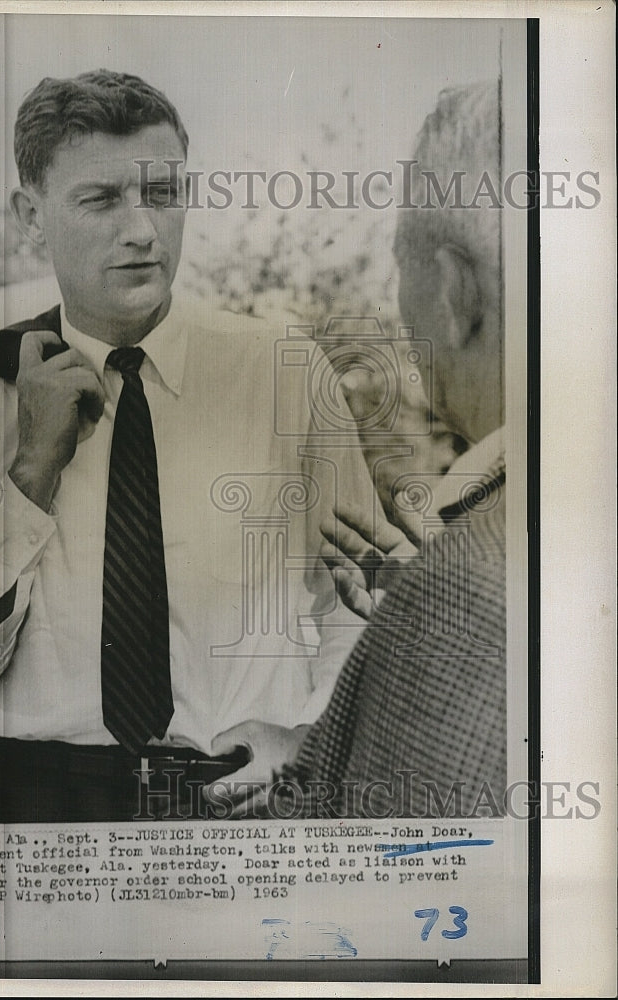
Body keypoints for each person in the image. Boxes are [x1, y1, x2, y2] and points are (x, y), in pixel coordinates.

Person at [0, 70, 404, 823]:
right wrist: (28, 476)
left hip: (238, 800)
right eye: (100, 199)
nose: (142, 231)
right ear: (32, 217)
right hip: (39, 817)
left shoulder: (280, 372)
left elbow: (359, 597)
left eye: (161, 194)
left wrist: (311, 731)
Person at [212, 79, 507, 820]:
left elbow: (406, 878)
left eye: (399, 275)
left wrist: (425, 626)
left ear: (455, 291)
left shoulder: (469, 577)